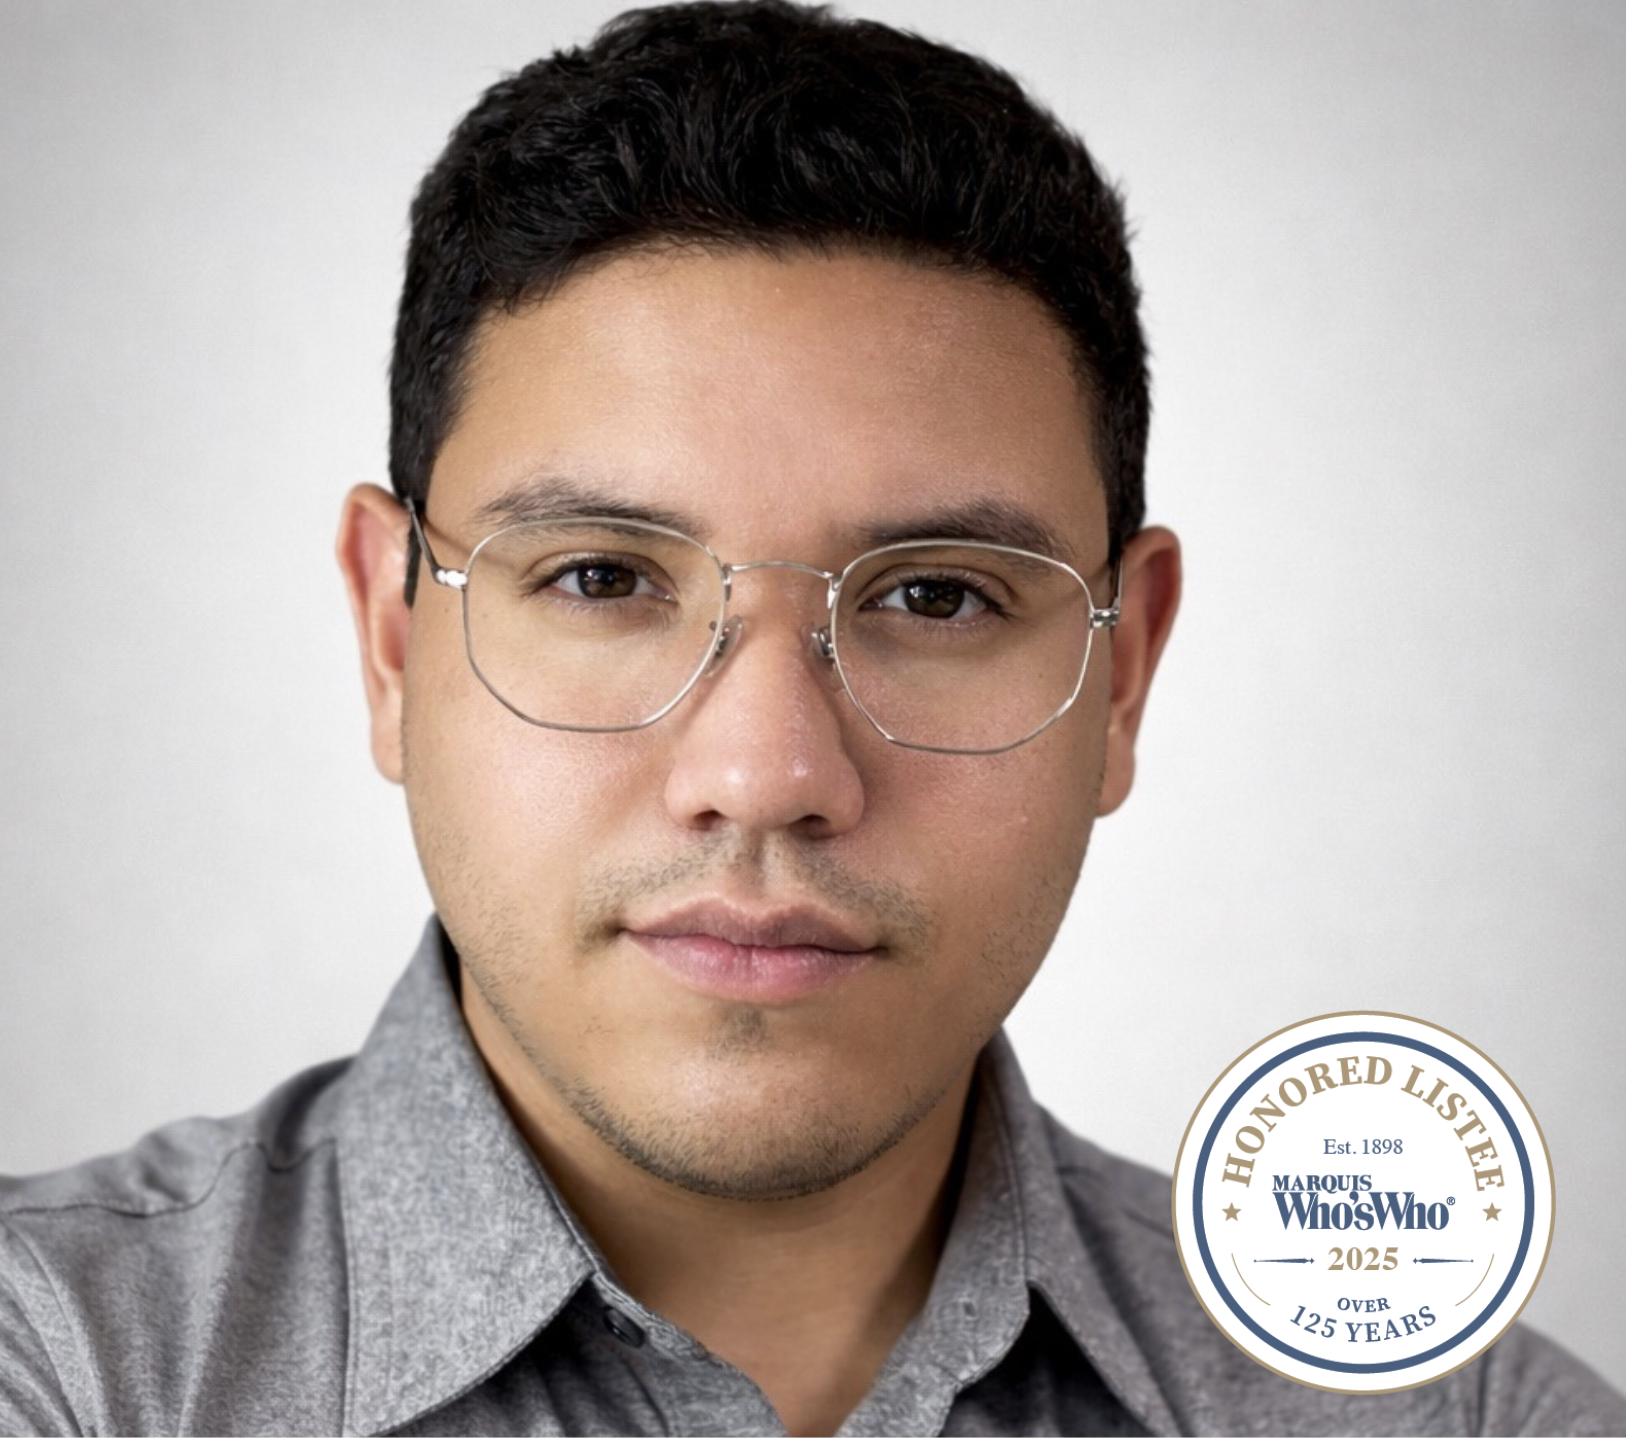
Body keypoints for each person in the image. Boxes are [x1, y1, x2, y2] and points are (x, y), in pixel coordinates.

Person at [0, 3, 1620, 1434]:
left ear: (1120, 678)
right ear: (390, 635)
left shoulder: (1454, 1417)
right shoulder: (59, 1363)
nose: (766, 773)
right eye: (597, 576)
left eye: (935, 598)